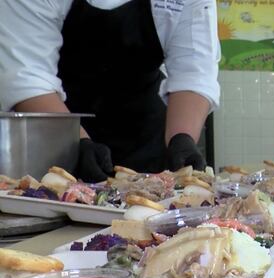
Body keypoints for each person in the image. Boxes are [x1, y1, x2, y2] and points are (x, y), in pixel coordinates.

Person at [0, 0, 220, 182]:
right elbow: (27, 77)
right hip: (54, 135)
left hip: (145, 136)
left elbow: (194, 69)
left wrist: (181, 139)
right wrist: (76, 145)